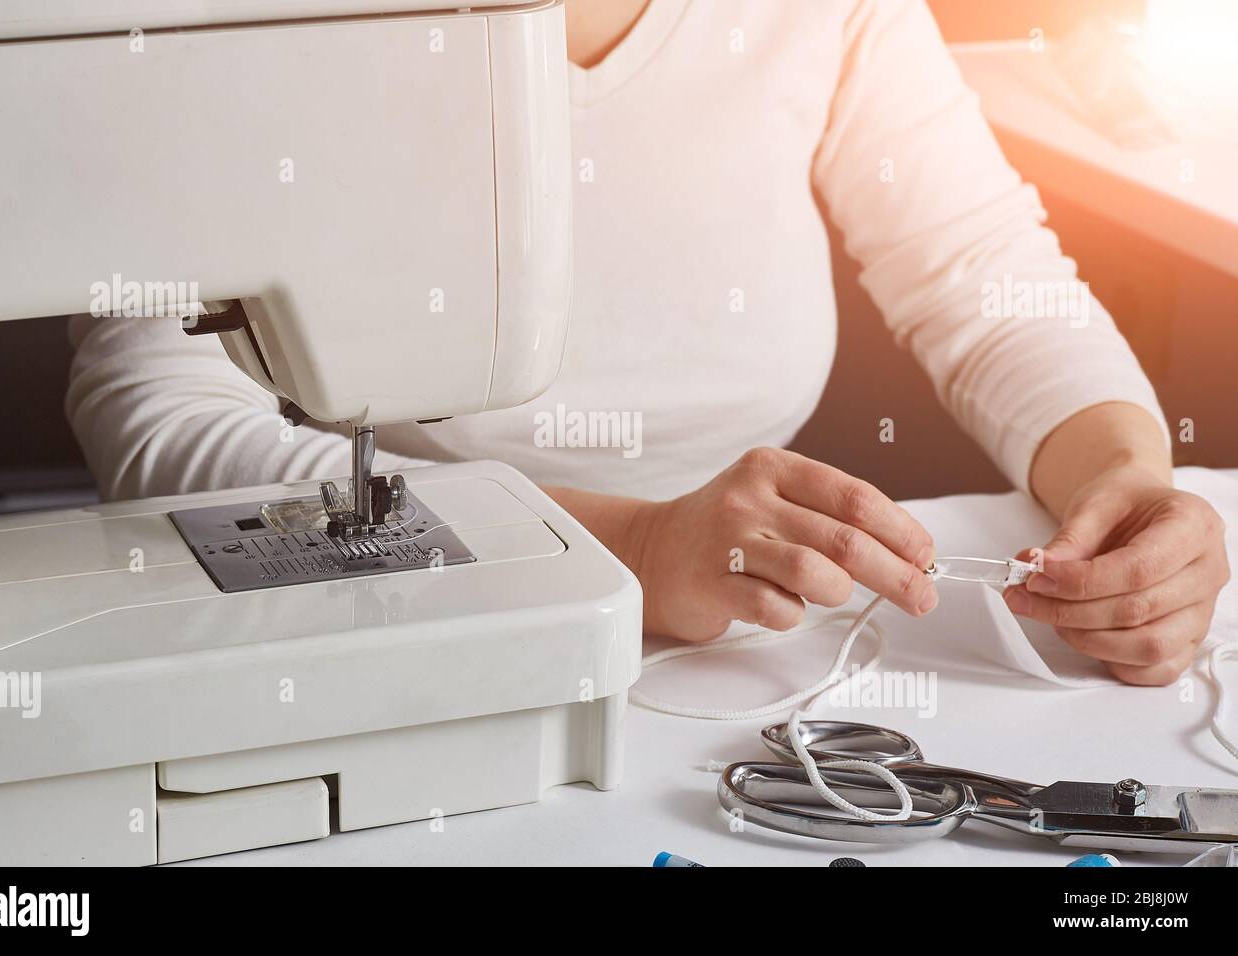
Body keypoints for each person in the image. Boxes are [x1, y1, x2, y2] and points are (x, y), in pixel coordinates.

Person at [66, 0, 1228, 685]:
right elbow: (159, 412)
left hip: (749, 642)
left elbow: (986, 276)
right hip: (374, 623)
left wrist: (1128, 485)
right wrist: (632, 546)